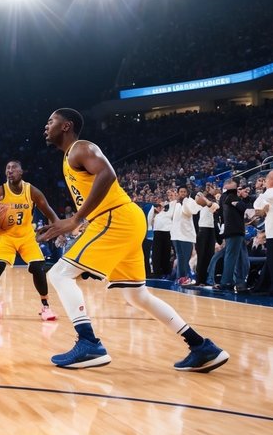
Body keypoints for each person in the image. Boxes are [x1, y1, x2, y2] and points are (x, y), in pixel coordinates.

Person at [35, 109, 228, 372]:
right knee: (137, 296)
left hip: (116, 219)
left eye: (51, 121)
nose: (46, 126)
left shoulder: (81, 148)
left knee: (59, 274)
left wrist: (76, 220)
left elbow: (108, 174)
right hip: (121, 220)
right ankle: (201, 347)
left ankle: (89, 343)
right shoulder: (69, 158)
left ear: (66, 125)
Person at [0, 160, 59, 321]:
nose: (10, 170)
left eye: (14, 168)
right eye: (8, 168)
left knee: (38, 269)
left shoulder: (31, 191)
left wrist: (59, 228)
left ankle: (46, 307)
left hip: (26, 237)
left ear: (21, 172)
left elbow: (48, 210)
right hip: (6, 237)